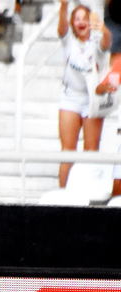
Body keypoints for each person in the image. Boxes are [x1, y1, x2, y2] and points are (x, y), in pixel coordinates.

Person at [57, 1, 111, 187]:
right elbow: (61, 30)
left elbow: (106, 42)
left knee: (91, 151)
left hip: (92, 100)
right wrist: (64, 7)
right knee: (67, 152)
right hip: (70, 97)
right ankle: (62, 194)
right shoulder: (68, 43)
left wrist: (102, 27)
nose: (81, 22)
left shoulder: (96, 44)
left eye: (85, 18)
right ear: (73, 23)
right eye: (77, 18)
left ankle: (88, 193)